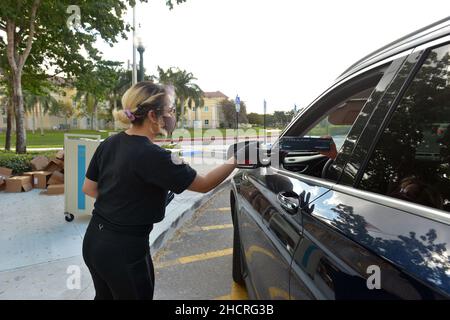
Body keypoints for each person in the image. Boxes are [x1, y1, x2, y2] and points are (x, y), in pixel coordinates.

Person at [82, 81, 238, 300]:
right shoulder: (157, 156)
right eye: (170, 111)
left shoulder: (110, 142)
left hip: (94, 242)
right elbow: (204, 184)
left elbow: (89, 188)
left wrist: (127, 201)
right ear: (153, 116)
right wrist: (237, 159)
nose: (173, 116)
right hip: (126, 251)